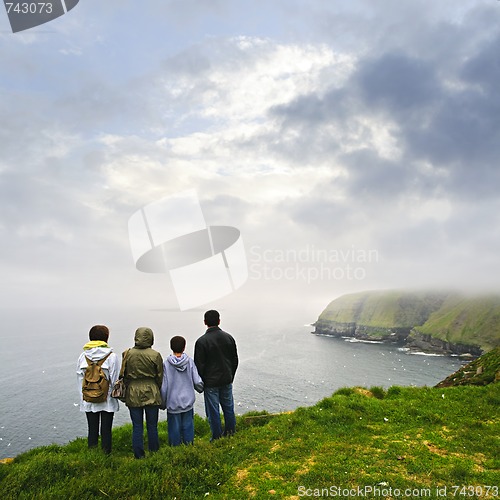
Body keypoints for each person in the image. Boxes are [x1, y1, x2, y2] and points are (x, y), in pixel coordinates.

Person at [194, 310, 238, 441]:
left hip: (211, 382)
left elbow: (199, 365)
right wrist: (231, 376)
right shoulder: (229, 337)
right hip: (226, 379)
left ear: (205, 322)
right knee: (228, 408)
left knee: (213, 412)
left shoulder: (201, 342)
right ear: (219, 321)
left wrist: (203, 382)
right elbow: (234, 360)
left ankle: (217, 437)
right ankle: (230, 433)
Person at [76, 324, 120, 455]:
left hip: (89, 398)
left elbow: (79, 379)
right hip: (107, 399)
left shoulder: (83, 356)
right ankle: (106, 455)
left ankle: (92, 455)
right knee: (106, 429)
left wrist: (84, 397)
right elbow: (115, 379)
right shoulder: (111, 356)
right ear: (106, 338)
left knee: (92, 429)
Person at [123, 327, 163, 459]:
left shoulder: (127, 354)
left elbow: (123, 375)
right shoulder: (155, 355)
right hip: (151, 389)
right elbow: (160, 376)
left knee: (137, 426)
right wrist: (156, 388)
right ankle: (154, 452)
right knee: (152, 425)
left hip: (133, 391)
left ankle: (139, 455)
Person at [160, 336, 204, 446]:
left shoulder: (166, 364)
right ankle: (189, 449)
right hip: (188, 402)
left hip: (173, 403)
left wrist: (163, 403)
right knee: (188, 427)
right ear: (184, 347)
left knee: (174, 430)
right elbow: (197, 381)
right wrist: (201, 389)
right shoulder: (189, 362)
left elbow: (164, 387)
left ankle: (176, 452)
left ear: (171, 347)